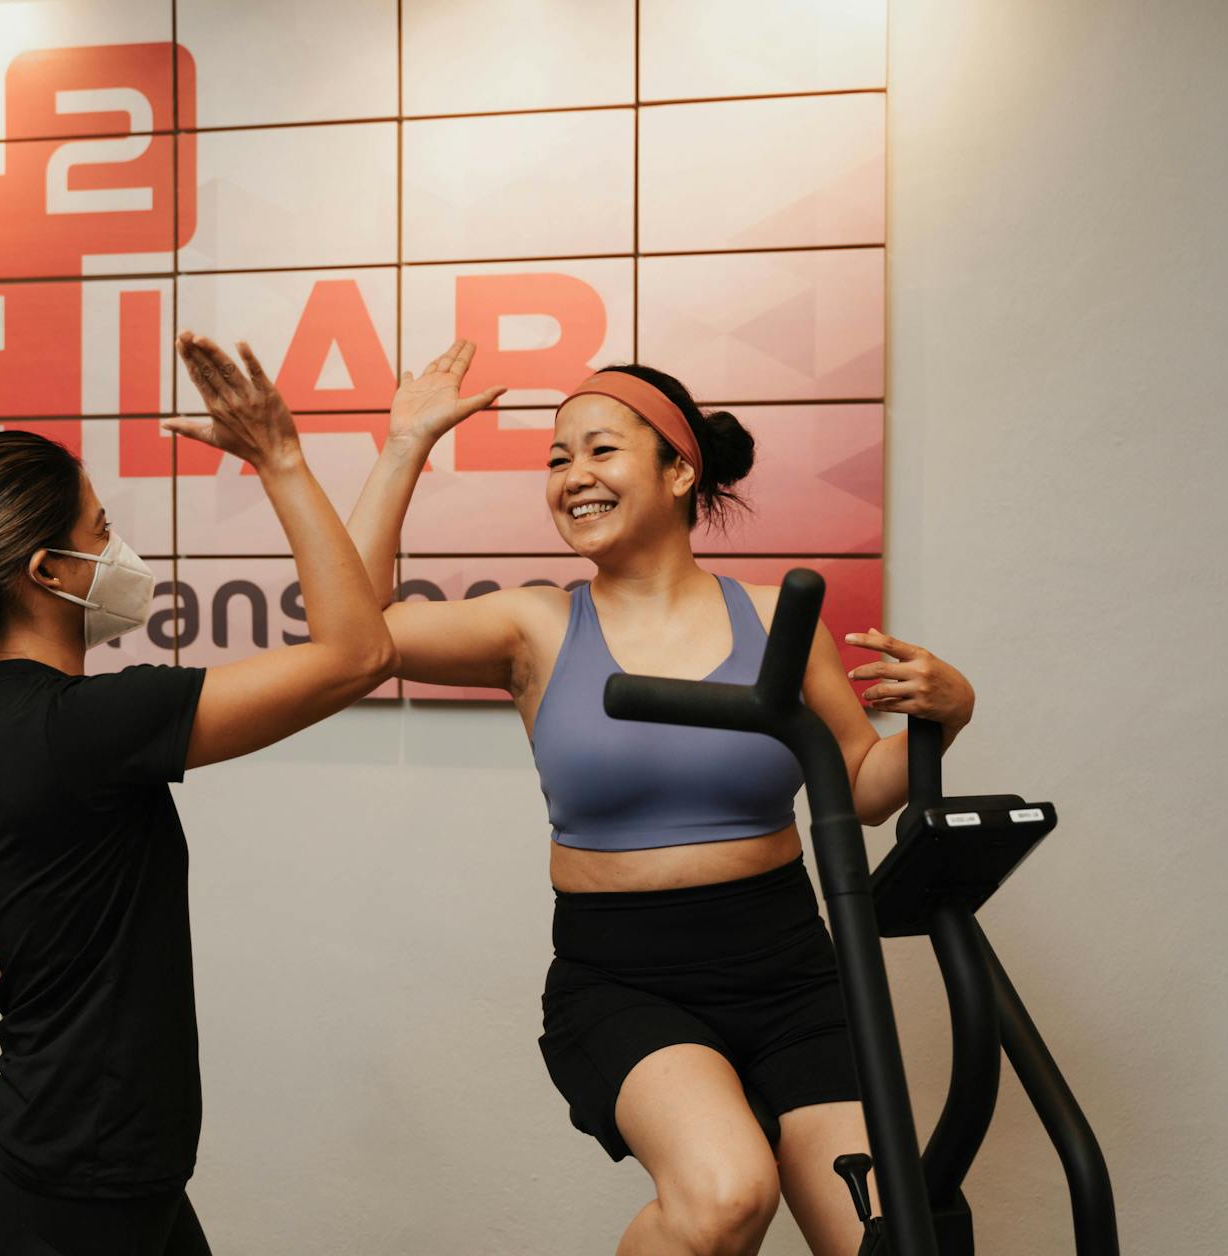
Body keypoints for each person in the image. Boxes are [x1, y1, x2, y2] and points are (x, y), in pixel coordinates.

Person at [346, 345, 976, 1256]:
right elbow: (350, 634)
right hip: (625, 977)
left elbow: (864, 788)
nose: (573, 477)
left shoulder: (776, 620)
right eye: (557, 460)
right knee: (725, 1197)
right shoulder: (533, 624)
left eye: (600, 451)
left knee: (890, 1236)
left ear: (680, 470)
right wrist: (405, 445)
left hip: (790, 971)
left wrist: (943, 721)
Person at [0, 333, 405, 1256]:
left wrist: (402, 449)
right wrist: (280, 459)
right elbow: (360, 655)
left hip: (89, 1183)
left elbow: (11, 972)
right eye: (101, 530)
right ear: (50, 572)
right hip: (74, 1206)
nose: (119, 548)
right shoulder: (89, 727)